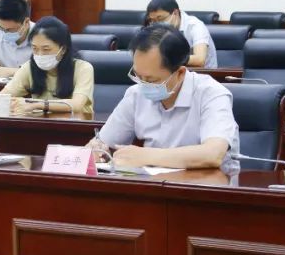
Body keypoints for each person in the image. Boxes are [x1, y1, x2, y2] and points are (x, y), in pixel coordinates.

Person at [88, 24, 239, 172]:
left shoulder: (212, 94)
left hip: (210, 183)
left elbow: (213, 154)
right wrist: (96, 149)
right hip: (154, 183)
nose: (143, 85)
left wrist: (146, 156)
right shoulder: (136, 94)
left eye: (151, 80)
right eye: (138, 76)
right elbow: (102, 143)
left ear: (180, 73)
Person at [0, 16, 94, 115]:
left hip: (77, 122)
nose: (40, 54)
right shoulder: (29, 67)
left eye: (46, 49)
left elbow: (76, 105)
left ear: (63, 49)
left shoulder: (83, 68)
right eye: (35, 48)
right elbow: (1, 97)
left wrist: (35, 104)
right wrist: (12, 103)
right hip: (42, 122)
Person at [144, 0, 217, 69]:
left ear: (175, 13)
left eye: (161, 19)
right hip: (174, 72)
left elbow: (200, 60)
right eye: (153, 20)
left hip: (203, 73)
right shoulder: (154, 28)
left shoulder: (195, 26)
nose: (157, 24)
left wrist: (171, 59)